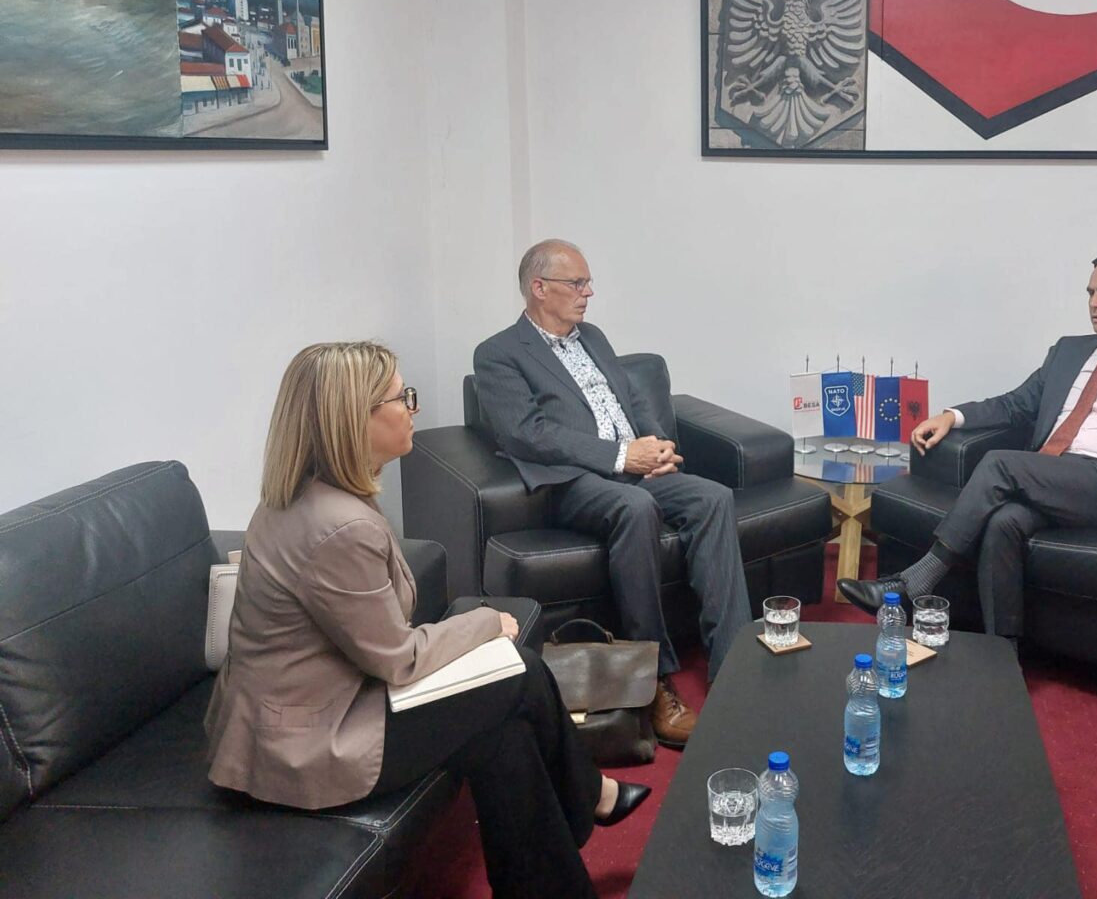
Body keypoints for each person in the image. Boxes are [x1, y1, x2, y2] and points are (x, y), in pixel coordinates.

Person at [206, 341, 648, 899]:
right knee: (520, 672)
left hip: (317, 704)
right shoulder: (338, 526)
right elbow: (398, 658)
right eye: (401, 397)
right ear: (354, 419)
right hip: (308, 741)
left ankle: (583, 818)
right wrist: (485, 622)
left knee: (503, 734)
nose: (412, 408)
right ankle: (590, 795)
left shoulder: (306, 497)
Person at [838, 251, 1097, 639]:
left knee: (999, 463)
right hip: (1052, 476)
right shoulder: (1068, 350)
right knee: (1004, 522)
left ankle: (914, 582)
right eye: (1090, 293)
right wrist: (952, 416)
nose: (1094, 303)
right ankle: (1002, 652)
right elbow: (1015, 404)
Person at [473, 240, 751, 747]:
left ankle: (735, 667)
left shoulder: (593, 337)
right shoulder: (499, 353)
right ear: (539, 288)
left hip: (638, 465)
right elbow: (526, 433)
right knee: (636, 506)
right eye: (577, 283)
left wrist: (656, 445)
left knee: (714, 498)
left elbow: (630, 402)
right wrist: (623, 457)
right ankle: (654, 679)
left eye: (588, 283)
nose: (588, 293)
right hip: (575, 480)